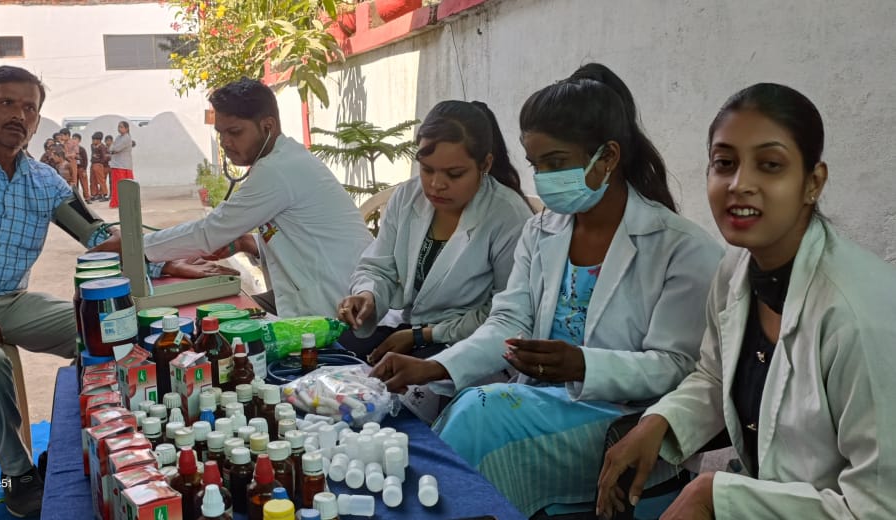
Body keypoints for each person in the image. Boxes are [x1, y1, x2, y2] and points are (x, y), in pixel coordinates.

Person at [370, 63, 723, 516]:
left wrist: (583, 364)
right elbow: (508, 323)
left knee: (482, 416)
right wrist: (434, 366)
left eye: (557, 163)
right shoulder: (542, 231)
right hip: (536, 402)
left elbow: (677, 367)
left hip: (622, 421)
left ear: (608, 157)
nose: (544, 178)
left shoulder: (680, 248)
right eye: (537, 164)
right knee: (472, 413)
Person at [0, 65, 231, 517]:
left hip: (7, 302)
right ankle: (18, 472)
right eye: (7, 103)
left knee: (113, 329)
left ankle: (88, 443)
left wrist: (162, 259)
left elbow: (97, 237)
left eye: (29, 107)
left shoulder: (46, 182)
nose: (19, 115)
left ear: (37, 119)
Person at [597, 84, 896, 519]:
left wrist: (716, 496)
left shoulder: (857, 314)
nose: (740, 185)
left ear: (813, 182)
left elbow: (879, 508)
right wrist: (659, 422)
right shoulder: (738, 267)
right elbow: (716, 375)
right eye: (724, 163)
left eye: (770, 165)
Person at [108, 78, 372, 317]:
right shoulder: (284, 160)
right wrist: (248, 243)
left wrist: (135, 248)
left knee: (217, 333)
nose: (225, 142)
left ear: (268, 126)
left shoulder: (278, 170)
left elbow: (208, 233)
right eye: (220, 133)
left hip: (340, 308)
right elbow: (304, 238)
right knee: (218, 319)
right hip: (315, 293)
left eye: (234, 132)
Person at [337, 100, 534, 363]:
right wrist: (367, 296)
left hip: (468, 342)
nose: (436, 184)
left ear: (485, 164)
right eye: (427, 169)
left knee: (407, 391)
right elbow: (378, 267)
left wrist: (424, 335)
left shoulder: (507, 216)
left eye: (454, 174)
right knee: (332, 361)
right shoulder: (407, 197)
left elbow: (506, 313)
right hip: (406, 328)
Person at [107, 120, 136, 208]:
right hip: (117, 165)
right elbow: (112, 149)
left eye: (121, 127)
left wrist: (112, 147)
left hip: (123, 166)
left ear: (127, 129)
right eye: (118, 127)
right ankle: (117, 203)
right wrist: (112, 148)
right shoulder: (118, 137)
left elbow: (115, 149)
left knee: (123, 186)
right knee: (116, 186)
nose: (119, 129)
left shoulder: (126, 138)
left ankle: (125, 202)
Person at [89, 131, 110, 202]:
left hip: (99, 164)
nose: (93, 141)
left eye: (94, 140)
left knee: (101, 180)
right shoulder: (92, 145)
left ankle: (105, 194)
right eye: (92, 139)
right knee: (93, 180)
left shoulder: (102, 147)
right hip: (93, 164)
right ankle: (95, 194)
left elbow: (104, 157)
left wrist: (100, 163)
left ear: (99, 140)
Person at [73, 132, 90, 203]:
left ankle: (87, 198)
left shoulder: (82, 149)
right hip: (74, 169)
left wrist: (84, 170)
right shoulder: (70, 149)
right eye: (73, 138)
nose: (74, 140)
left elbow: (85, 160)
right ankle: (76, 199)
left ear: (79, 140)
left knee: (84, 184)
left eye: (75, 139)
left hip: (81, 168)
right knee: (75, 184)